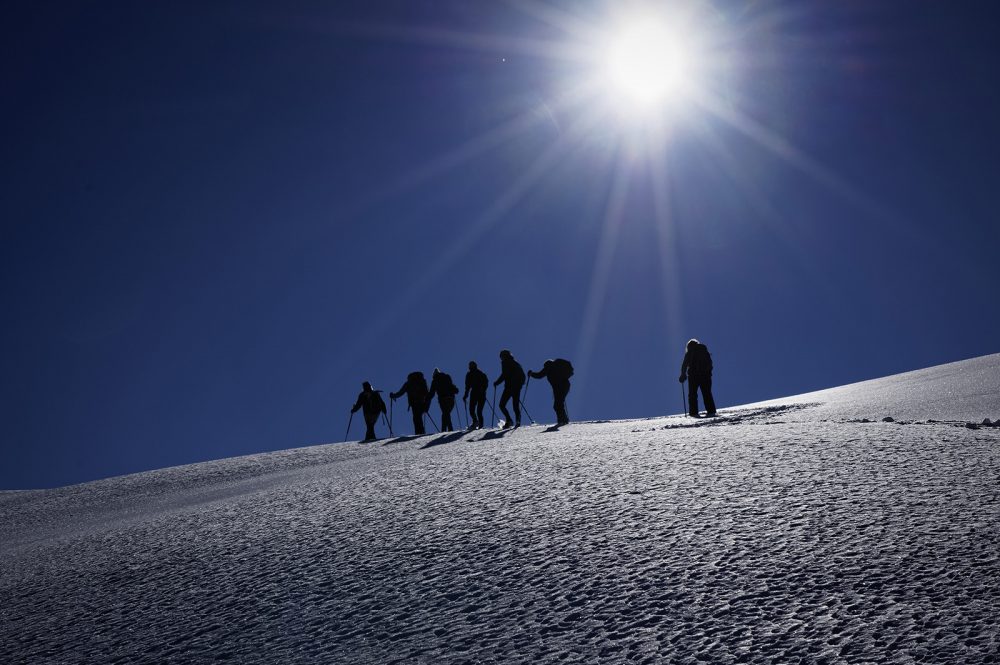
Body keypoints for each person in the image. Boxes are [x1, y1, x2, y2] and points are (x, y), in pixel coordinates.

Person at [527, 358, 574, 425]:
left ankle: (562, 420)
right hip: (563, 386)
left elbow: (539, 375)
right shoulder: (553, 367)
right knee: (558, 404)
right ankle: (563, 419)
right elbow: (539, 375)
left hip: (561, 387)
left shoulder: (549, 367)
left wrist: (531, 374)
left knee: (558, 404)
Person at [680, 338, 716, 417]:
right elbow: (710, 363)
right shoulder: (703, 349)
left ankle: (693, 413)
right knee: (707, 393)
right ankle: (711, 411)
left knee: (692, 394)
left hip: (693, 376)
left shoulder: (689, 352)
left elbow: (684, 364)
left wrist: (683, 375)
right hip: (706, 375)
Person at [390, 371, 429, 435]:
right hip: (421, 402)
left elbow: (400, 393)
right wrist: (427, 404)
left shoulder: (408, 383)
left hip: (414, 403)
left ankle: (418, 432)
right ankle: (421, 432)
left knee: (416, 418)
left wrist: (393, 395)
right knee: (418, 417)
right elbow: (427, 393)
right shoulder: (422, 381)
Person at [494, 349, 525, 428]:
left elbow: (504, 375)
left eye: (501, 356)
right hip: (514, 387)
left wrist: (497, 382)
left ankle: (510, 421)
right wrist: (519, 384)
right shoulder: (514, 362)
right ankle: (515, 421)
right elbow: (506, 375)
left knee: (503, 405)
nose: (501, 358)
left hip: (511, 387)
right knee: (514, 405)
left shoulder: (507, 363)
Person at [463, 361, 489, 429]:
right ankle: (479, 424)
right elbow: (486, 382)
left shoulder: (470, 374)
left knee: (473, 410)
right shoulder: (481, 373)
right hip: (480, 393)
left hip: (475, 393)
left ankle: (477, 422)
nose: (470, 367)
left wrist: (466, 395)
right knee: (478, 411)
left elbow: (467, 386)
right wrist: (483, 389)